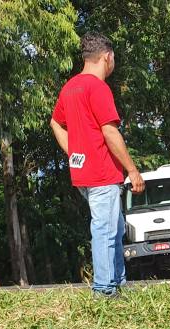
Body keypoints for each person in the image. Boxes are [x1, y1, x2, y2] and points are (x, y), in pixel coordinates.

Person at [50, 32, 144, 297]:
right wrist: (132, 170)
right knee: (104, 229)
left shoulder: (70, 87)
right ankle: (104, 289)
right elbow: (110, 132)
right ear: (107, 56)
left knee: (114, 227)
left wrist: (73, 151)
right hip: (102, 173)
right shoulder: (97, 87)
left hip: (83, 174)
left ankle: (117, 283)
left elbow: (55, 122)